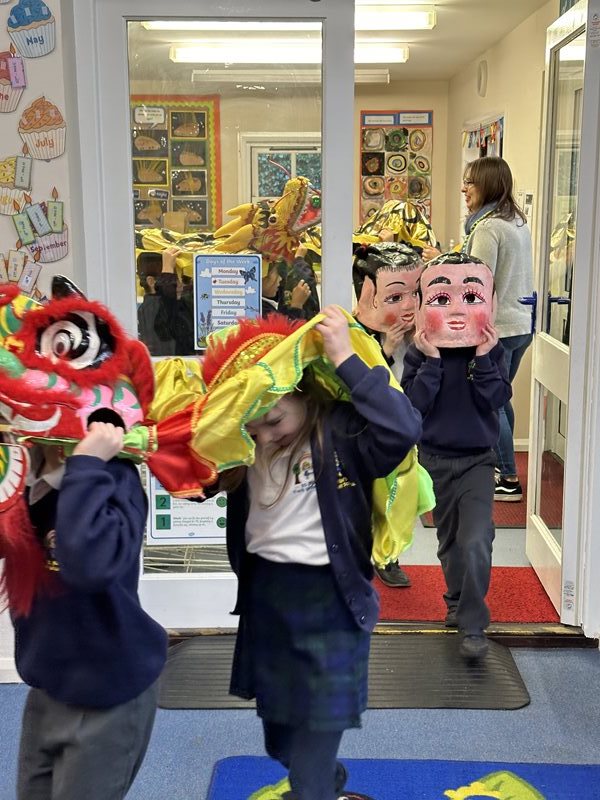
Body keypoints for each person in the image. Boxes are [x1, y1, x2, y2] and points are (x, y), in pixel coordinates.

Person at [209, 305, 422, 800]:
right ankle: (325, 781)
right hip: (268, 603)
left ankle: (316, 786)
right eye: (253, 429)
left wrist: (347, 358)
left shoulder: (342, 432)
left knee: (308, 765)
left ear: (301, 392)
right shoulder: (246, 450)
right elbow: (192, 466)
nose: (266, 436)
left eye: (274, 420)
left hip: (331, 602)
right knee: (279, 737)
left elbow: (403, 427)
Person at [9, 422, 168, 800]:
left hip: (110, 689)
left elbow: (90, 567)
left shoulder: (115, 478)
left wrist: (85, 466)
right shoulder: (26, 472)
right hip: (49, 683)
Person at [402, 252, 511, 659]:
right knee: (450, 541)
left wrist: (483, 358)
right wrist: (431, 362)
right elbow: (413, 406)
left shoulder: (492, 351)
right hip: (434, 460)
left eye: (470, 297)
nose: (457, 311)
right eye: (442, 299)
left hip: (478, 461)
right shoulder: (419, 353)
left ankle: (473, 623)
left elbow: (495, 399)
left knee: (477, 538)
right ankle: (455, 601)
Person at [423, 157, 533, 502]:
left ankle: (508, 478)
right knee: (501, 397)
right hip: (521, 324)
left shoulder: (487, 228)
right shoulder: (515, 221)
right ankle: (506, 469)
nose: (463, 189)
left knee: (491, 402)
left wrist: (438, 260)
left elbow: (474, 281)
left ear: (487, 184)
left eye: (470, 182)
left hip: (497, 329)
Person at [352, 241, 426, 587]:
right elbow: (361, 386)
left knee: (399, 492)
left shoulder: (421, 333)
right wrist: (386, 350)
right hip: (368, 429)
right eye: (396, 297)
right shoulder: (357, 335)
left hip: (406, 429)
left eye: (416, 294)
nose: (409, 306)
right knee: (367, 493)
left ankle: (389, 555)